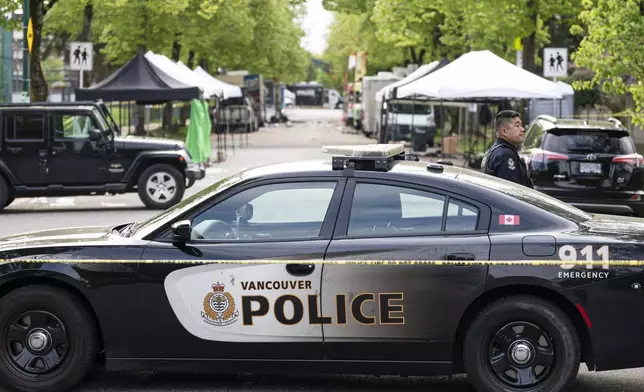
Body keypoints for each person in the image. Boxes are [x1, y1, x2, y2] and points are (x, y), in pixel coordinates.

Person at [482, 110, 534, 188]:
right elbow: (512, 191)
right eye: (517, 125)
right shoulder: (506, 155)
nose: (522, 129)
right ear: (504, 131)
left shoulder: (495, 150)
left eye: (521, 125)